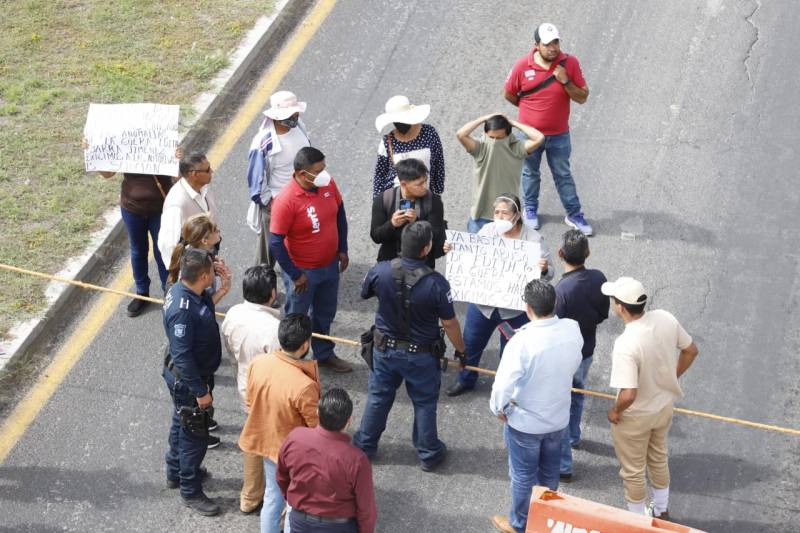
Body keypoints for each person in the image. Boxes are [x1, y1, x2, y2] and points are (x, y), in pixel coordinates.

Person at [353, 221, 467, 472]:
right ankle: (428, 453)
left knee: (379, 397)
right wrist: (461, 349)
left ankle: (365, 445)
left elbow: (364, 292)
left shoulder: (380, 270)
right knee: (424, 403)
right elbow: (449, 323)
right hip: (421, 355)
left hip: (384, 349)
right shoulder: (437, 284)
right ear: (426, 249)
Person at [489, 279, 583, 533]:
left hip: (526, 423)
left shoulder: (521, 342)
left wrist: (500, 409)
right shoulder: (572, 329)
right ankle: (545, 520)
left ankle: (520, 524)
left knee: (522, 476)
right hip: (558, 418)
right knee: (550, 473)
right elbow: (574, 363)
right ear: (555, 303)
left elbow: (502, 388)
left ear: (527, 308)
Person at [602, 277, 699, 519]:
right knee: (658, 457)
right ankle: (661, 509)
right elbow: (691, 350)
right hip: (663, 407)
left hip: (635, 416)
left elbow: (629, 394)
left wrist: (615, 411)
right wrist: (671, 377)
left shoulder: (626, 343)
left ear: (620, 307)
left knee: (633, 471)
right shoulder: (665, 317)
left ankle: (637, 521)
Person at [444, 194, 553, 397]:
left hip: (514, 312)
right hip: (483, 307)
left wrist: (544, 269)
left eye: (505, 213)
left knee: (510, 354)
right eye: (496, 213)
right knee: (470, 345)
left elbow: (549, 275)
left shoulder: (534, 240)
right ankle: (465, 380)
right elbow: (470, 255)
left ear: (517, 215)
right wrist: (454, 250)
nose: (500, 217)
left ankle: (505, 389)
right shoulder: (487, 231)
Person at [504, 22, 593, 236]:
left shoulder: (569, 63)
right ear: (537, 45)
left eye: (556, 42)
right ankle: (531, 210)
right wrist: (529, 110)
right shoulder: (522, 66)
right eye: (547, 44)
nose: (553, 47)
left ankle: (574, 214)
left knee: (563, 174)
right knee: (529, 173)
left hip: (559, 135)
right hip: (528, 134)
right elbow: (509, 93)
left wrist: (566, 81)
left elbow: (582, 97)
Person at [269, 146, 353, 373]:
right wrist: (295, 275)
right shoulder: (286, 201)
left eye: (324, 168)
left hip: (329, 267)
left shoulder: (327, 184)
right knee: (296, 319)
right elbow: (275, 242)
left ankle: (324, 354)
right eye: (318, 170)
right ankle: (290, 362)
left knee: (325, 313)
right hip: (303, 272)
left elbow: (340, 214)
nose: (325, 174)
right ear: (301, 174)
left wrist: (342, 248)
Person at [239, 313, 321, 533]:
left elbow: (249, 400)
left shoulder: (259, 363)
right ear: (305, 345)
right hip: (295, 454)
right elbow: (316, 425)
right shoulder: (303, 385)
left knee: (272, 498)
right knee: (295, 503)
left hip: (267, 444)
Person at [162, 247, 224, 517]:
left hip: (189, 377)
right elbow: (183, 355)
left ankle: (175, 471)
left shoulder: (186, 291)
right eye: (212, 269)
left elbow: (205, 308)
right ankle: (190, 489)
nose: (215, 270)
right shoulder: (182, 309)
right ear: (202, 275)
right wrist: (200, 391)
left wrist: (224, 284)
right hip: (189, 380)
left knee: (181, 422)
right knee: (194, 435)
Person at [221, 264, 281, 514]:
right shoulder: (273, 328)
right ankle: (277, 497)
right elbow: (281, 367)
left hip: (246, 386)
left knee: (252, 440)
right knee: (276, 444)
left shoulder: (232, 314)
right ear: (272, 295)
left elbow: (230, 352)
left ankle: (250, 495)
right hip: (270, 395)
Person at [278, 388, 377, 533]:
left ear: (318, 412)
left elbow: (282, 476)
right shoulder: (357, 459)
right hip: (338, 526)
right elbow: (366, 508)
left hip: (300, 521)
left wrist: (293, 498)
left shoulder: (295, 437)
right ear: (348, 421)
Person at [554, 229, 609, 481]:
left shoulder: (562, 291)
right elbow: (602, 314)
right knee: (577, 395)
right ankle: (574, 436)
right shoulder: (599, 278)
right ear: (587, 253)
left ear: (560, 254)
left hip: (565, 357)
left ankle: (564, 464)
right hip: (587, 349)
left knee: (562, 403)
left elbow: (555, 328)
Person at [97, 148, 180, 316]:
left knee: (163, 250)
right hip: (132, 209)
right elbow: (107, 173)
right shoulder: (126, 141)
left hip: (161, 209)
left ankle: (170, 292)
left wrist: (177, 160)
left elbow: (177, 178)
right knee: (138, 251)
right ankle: (142, 293)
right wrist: (94, 153)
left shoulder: (162, 140)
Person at [246, 90, 311, 273]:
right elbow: (256, 181)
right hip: (277, 202)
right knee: (269, 251)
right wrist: (270, 204)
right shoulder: (263, 142)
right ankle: (260, 287)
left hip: (302, 197)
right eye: (292, 114)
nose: (296, 116)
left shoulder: (299, 127)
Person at [456, 113, 544, 233]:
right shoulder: (480, 148)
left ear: (508, 136)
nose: (495, 142)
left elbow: (539, 138)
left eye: (500, 138)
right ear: (486, 134)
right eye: (491, 138)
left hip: (508, 217)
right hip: (480, 217)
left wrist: (513, 122)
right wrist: (483, 118)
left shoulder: (517, 148)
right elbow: (461, 134)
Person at [370, 158, 445, 268]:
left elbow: (436, 236)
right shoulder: (383, 200)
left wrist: (417, 222)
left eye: (425, 181)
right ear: (404, 184)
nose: (425, 187)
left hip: (421, 268)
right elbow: (376, 236)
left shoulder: (433, 202)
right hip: (389, 265)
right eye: (419, 184)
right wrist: (392, 224)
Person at [372, 95, 445, 196]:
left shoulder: (429, 133)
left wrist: (437, 191)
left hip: (425, 195)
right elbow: (380, 174)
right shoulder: (387, 142)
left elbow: (438, 162)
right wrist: (378, 204)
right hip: (398, 201)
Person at [158, 152, 219, 264]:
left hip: (207, 257)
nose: (212, 171)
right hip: (193, 268)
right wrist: (186, 272)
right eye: (207, 169)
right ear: (194, 174)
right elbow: (169, 245)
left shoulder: (204, 187)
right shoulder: (176, 204)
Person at [166, 213, 232, 306]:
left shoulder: (201, 251)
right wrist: (223, 289)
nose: (219, 230)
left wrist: (213, 269)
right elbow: (201, 308)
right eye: (215, 230)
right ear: (205, 241)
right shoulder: (195, 268)